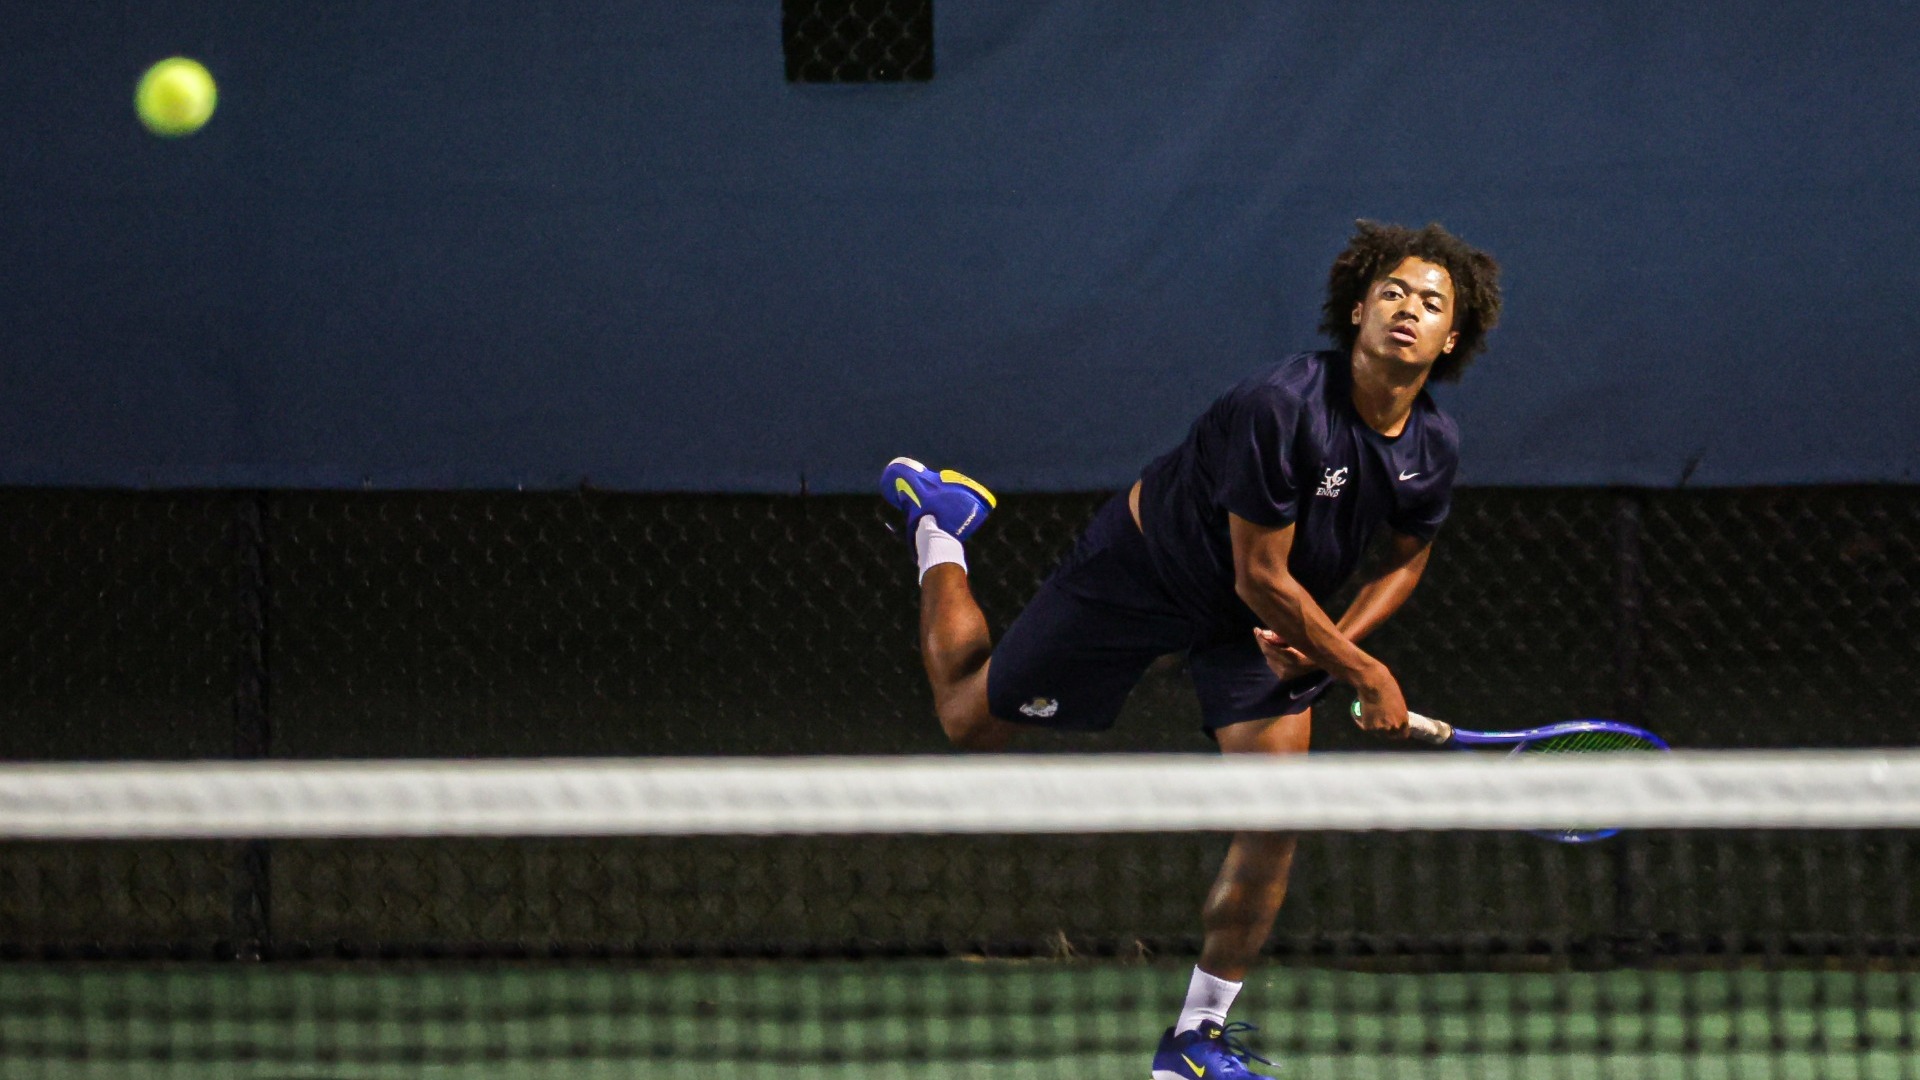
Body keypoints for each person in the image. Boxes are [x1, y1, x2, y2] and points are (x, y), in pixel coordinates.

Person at [881, 220, 1501, 1079]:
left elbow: (1406, 559)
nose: (1410, 308)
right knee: (966, 716)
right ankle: (939, 529)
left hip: (1261, 624)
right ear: (1357, 308)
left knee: (1278, 814)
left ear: (1451, 336)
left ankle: (1195, 1039)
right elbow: (1259, 574)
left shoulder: (1432, 447)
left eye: (1433, 302)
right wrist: (1359, 669)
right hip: (1151, 572)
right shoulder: (1281, 409)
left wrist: (1329, 649)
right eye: (1394, 290)